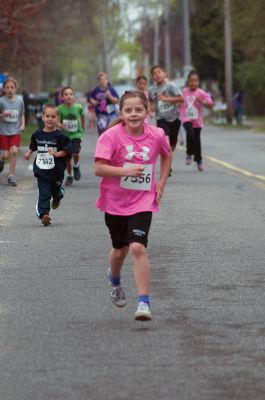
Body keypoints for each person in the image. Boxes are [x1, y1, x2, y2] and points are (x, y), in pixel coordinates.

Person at [94, 90, 172, 321]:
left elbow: (167, 155)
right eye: (129, 110)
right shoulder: (110, 136)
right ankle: (115, 281)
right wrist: (125, 170)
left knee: (137, 247)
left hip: (143, 200)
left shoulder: (156, 134)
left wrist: (162, 182)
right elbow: (99, 168)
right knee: (120, 250)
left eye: (139, 109)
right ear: (121, 113)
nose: (134, 114)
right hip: (114, 201)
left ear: (147, 111)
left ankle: (144, 303)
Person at [24, 104, 72, 226]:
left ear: (57, 119)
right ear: (43, 117)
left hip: (56, 171)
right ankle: (45, 214)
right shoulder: (37, 134)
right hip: (42, 170)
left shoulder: (61, 136)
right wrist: (29, 152)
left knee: (55, 192)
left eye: (53, 116)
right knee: (44, 192)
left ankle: (58, 195)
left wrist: (57, 154)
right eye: (47, 116)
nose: (50, 119)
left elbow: (67, 151)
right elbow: (33, 145)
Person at [148, 65, 183, 176]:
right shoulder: (152, 90)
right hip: (161, 119)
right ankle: (167, 169)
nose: (157, 74)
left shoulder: (171, 86)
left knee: (171, 147)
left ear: (165, 74)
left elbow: (181, 99)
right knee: (165, 143)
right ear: (153, 77)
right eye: (154, 73)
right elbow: (151, 102)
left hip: (174, 119)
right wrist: (151, 109)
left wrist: (166, 99)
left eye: (159, 72)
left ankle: (168, 164)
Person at [179, 70, 213, 171]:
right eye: (191, 81)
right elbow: (178, 100)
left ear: (198, 82)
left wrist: (202, 101)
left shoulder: (201, 93)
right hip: (186, 118)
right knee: (190, 134)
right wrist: (178, 104)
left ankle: (199, 160)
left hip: (197, 120)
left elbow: (210, 105)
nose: (193, 83)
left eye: (195, 81)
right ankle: (189, 153)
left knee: (197, 140)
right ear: (188, 82)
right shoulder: (184, 92)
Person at [0, 77, 25, 186]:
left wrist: (23, 124)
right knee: (5, 155)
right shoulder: (1, 101)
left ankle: (11, 175)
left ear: (15, 89)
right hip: (4, 131)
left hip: (15, 130)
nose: (10, 89)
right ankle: (2, 160)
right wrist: (3, 115)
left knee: (14, 151)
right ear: (4, 89)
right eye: (7, 87)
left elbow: (22, 114)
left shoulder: (20, 100)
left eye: (12, 87)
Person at [58, 86, 84, 186]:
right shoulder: (60, 108)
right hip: (65, 136)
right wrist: (59, 125)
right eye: (66, 94)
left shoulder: (78, 107)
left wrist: (82, 128)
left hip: (76, 134)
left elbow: (81, 116)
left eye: (71, 94)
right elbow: (57, 120)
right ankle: (69, 176)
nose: (69, 96)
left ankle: (76, 166)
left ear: (73, 96)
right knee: (67, 158)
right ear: (62, 97)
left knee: (75, 153)